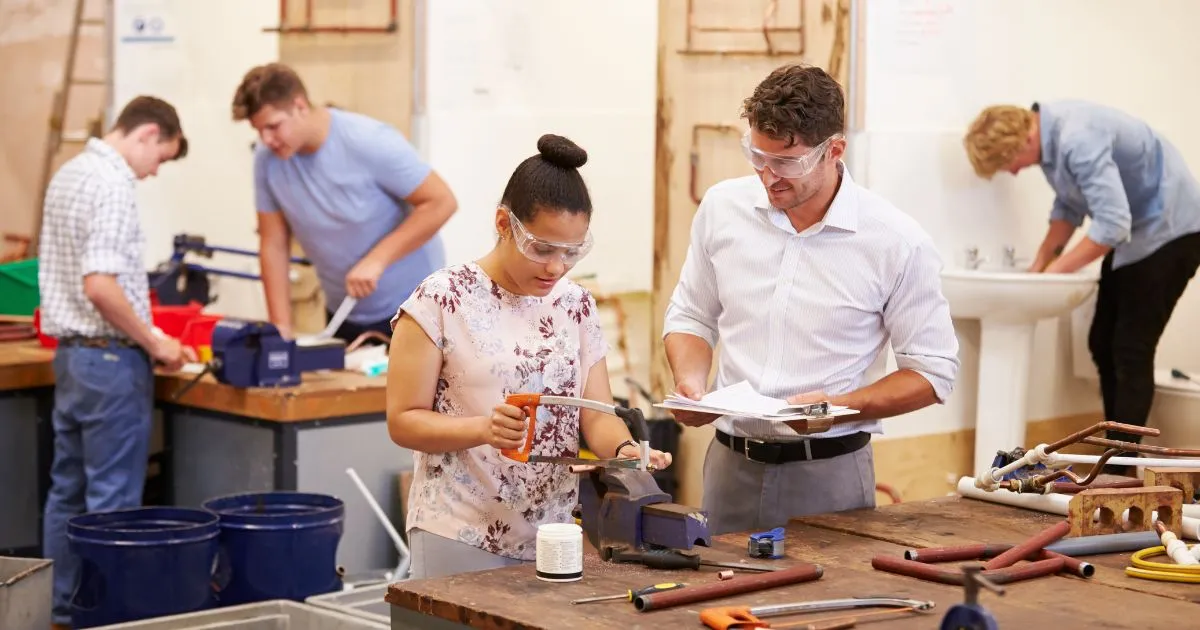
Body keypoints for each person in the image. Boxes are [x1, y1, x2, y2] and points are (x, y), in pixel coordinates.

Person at [662, 64, 960, 535]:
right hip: (730, 467)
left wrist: (838, 406)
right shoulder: (722, 209)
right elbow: (692, 316)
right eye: (756, 156)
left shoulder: (896, 242)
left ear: (834, 151)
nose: (767, 176)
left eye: (786, 163)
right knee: (717, 578)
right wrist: (692, 384)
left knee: (828, 587)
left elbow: (933, 371)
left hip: (828, 472)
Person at [385, 134, 673, 578]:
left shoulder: (575, 304)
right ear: (504, 223)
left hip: (553, 531)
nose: (556, 267)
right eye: (542, 249)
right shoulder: (442, 299)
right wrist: (483, 429)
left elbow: (595, 415)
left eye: (571, 252)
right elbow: (403, 420)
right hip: (459, 529)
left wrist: (625, 450)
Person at [963, 101, 1200, 460]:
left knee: (1131, 348)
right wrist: (1039, 265)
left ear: (1022, 141)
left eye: (1006, 163)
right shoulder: (1051, 142)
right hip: (1138, 236)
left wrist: (1055, 272)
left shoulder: (1077, 138)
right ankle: (1116, 454)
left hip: (1173, 231)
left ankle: (1120, 465)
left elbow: (1113, 223)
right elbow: (1069, 208)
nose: (1011, 172)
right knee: (1102, 342)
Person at [38, 96, 194, 630]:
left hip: (72, 359)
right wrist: (156, 343)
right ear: (148, 133)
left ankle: (62, 612)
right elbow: (101, 286)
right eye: (161, 158)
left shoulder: (71, 173)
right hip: (110, 361)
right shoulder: (112, 184)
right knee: (112, 503)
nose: (154, 172)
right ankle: (104, 618)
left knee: (67, 493)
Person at [231, 62, 458, 343]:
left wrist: (377, 259)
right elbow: (273, 243)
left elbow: (441, 201)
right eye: (259, 130)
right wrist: (280, 328)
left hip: (415, 308)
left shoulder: (369, 140)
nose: (266, 140)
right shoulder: (267, 160)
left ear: (300, 106)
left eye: (273, 126)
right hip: (344, 311)